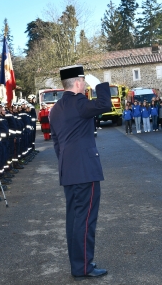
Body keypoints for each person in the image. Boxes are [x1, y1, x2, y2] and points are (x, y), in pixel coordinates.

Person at [49, 65, 111, 279]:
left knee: (74, 220)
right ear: (77, 83)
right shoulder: (79, 103)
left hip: (69, 171)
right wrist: (99, 84)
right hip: (85, 171)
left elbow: (56, 142)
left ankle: (79, 265)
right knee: (86, 220)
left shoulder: (55, 108)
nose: (85, 85)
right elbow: (105, 104)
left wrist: (68, 162)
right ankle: (84, 266)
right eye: (84, 81)